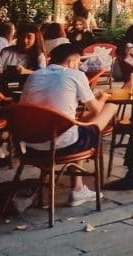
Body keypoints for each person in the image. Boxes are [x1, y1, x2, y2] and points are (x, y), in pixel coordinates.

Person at [20, 43, 116, 207]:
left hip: (31, 147)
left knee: (77, 125)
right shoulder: (75, 75)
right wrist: (104, 97)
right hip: (63, 146)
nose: (79, 66)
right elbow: (96, 109)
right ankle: (77, 189)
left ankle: (78, 187)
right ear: (72, 61)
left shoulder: (34, 76)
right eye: (78, 62)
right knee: (111, 107)